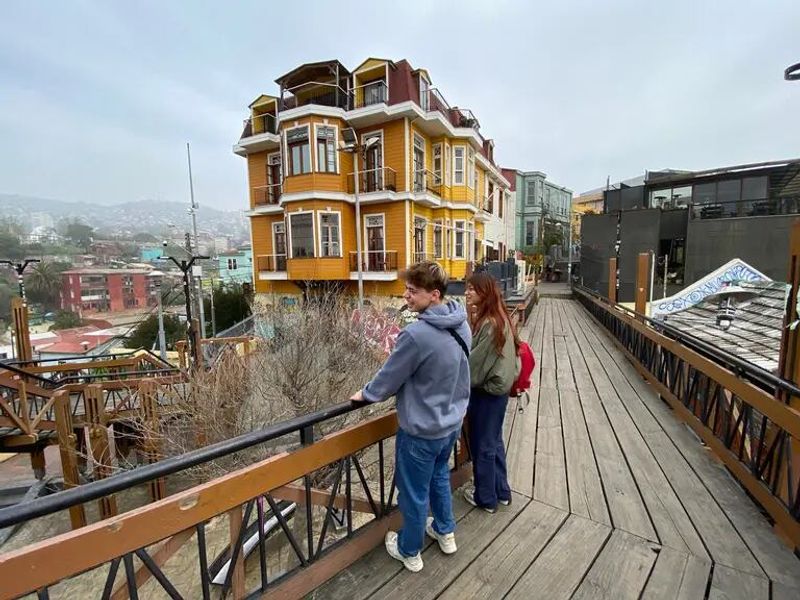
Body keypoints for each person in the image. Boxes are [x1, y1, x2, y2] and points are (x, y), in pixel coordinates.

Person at [351, 261, 471, 573]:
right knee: (440, 478)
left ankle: (410, 550)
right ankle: (446, 532)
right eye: (406, 289)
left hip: (421, 430)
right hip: (451, 424)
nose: (406, 295)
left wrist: (365, 394)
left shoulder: (416, 335)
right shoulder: (462, 322)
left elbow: (388, 379)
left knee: (414, 494)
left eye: (413, 291)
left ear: (434, 295)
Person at [463, 272, 518, 513]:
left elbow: (474, 366)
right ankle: (501, 491)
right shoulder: (501, 317)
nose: (467, 293)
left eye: (472, 289)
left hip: (487, 393)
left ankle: (486, 497)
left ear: (484, 293)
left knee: (483, 444)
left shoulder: (489, 323)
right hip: (500, 391)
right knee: (494, 441)